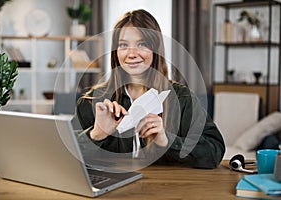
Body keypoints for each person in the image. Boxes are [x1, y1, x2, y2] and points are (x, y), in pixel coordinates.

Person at [76, 9, 225, 169]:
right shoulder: (93, 101)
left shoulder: (182, 99)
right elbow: (64, 156)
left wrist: (167, 141)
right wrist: (97, 134)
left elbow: (214, 151)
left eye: (142, 44)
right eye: (123, 45)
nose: (131, 54)